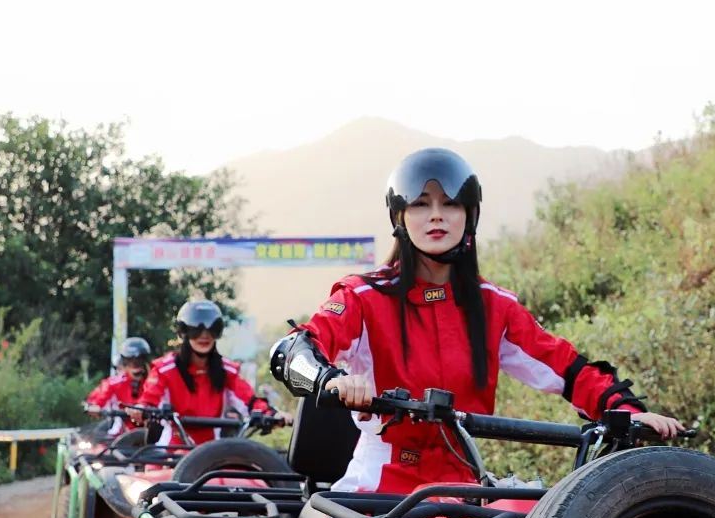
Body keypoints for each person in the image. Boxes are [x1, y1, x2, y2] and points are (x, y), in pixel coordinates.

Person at [274, 147, 683, 496]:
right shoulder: (363, 297)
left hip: (466, 488)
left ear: (469, 215)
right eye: (421, 204)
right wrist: (330, 380)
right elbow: (292, 351)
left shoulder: (495, 307)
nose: (437, 215)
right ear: (400, 217)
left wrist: (625, 411)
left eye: (450, 203)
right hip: (377, 490)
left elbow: (566, 368)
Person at [132, 300, 279, 446]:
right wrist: (142, 409)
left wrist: (272, 414)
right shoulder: (164, 369)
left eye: (213, 328)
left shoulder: (227, 371)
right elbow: (149, 399)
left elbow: (249, 401)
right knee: (152, 469)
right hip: (171, 450)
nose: (205, 335)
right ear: (184, 333)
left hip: (212, 453)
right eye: (196, 328)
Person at [83, 337, 152, 434]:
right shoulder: (115, 383)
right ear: (124, 363)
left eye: (140, 360)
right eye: (130, 361)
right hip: (124, 433)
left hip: (155, 432)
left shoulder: (156, 379)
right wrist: (94, 406)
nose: (136, 365)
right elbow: (99, 397)